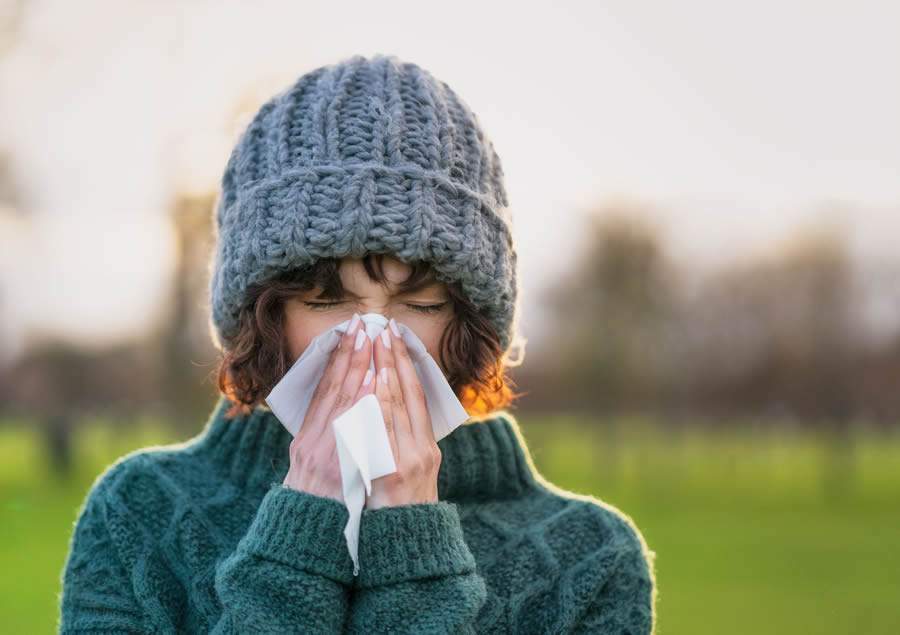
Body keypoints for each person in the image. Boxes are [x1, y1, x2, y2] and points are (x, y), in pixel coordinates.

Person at [58, 53, 657, 634]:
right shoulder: (138, 513)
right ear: (262, 314)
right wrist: (299, 538)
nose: (372, 341)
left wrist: (412, 544)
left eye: (420, 305)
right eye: (325, 302)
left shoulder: (590, 559)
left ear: (470, 322)